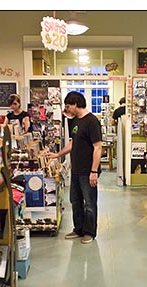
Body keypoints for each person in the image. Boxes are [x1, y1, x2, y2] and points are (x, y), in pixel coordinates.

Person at [45, 91, 102, 244]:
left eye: (68, 105)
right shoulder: (75, 121)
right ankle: (79, 229)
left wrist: (94, 171)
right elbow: (73, 142)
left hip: (88, 170)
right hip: (75, 169)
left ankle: (89, 232)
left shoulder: (92, 121)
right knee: (75, 201)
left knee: (89, 203)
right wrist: (58, 155)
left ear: (76, 104)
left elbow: (98, 147)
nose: (66, 108)